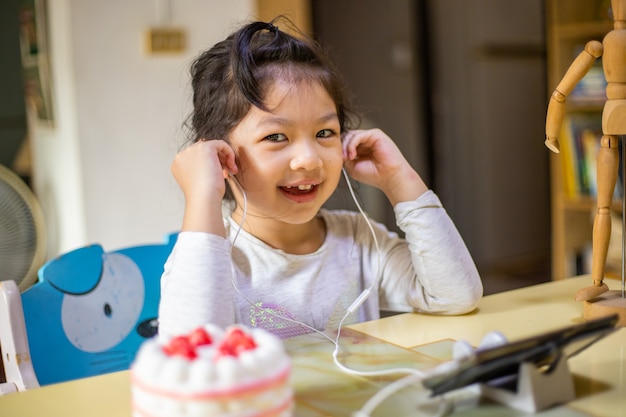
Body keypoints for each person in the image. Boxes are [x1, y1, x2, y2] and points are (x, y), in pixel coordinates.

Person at [158, 17, 482, 340]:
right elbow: (189, 353)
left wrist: (400, 179)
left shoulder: (359, 242)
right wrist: (202, 195)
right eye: (276, 137)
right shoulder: (211, 259)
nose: (310, 159)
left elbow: (456, 295)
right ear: (220, 154)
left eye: (324, 132)